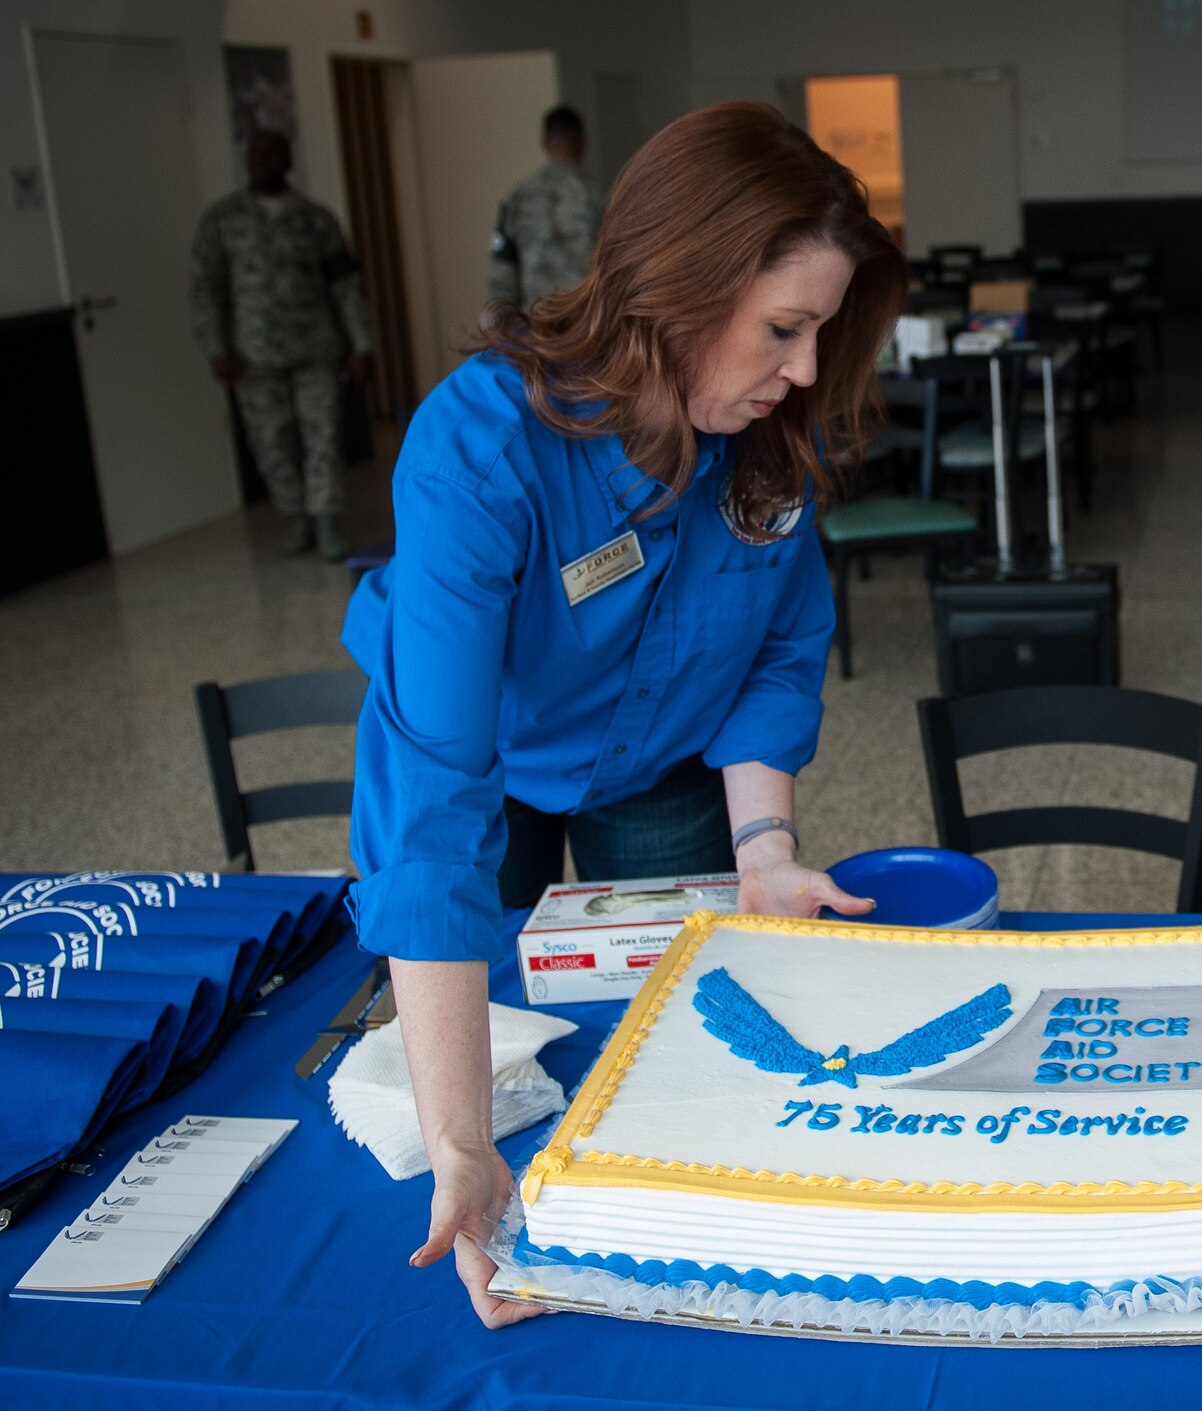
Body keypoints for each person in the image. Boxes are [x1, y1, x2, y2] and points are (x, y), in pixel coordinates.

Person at [341, 101, 906, 1327]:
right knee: (476, 1019)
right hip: (486, 759)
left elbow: (776, 653)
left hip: (656, 760)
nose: (805, 370)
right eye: (783, 330)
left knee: (664, 1031)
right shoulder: (483, 448)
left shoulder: (763, 431)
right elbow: (434, 807)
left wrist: (764, 850)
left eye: (821, 332)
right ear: (677, 287)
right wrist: (459, 1146)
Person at [191, 130, 373, 560]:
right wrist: (215, 347)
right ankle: (296, 517)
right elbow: (206, 289)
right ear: (247, 159)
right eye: (257, 152)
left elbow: (346, 286)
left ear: (289, 161)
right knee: (271, 441)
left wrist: (361, 344)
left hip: (317, 350)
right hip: (254, 355)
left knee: (323, 436)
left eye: (274, 153)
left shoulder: (316, 220)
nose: (265, 160)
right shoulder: (223, 220)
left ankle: (327, 520)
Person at [487, 104, 607, 315]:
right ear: (583, 144)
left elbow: (502, 273)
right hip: (586, 324)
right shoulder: (598, 198)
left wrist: (501, 334)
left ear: (543, 144)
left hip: (535, 323)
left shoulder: (517, 198)